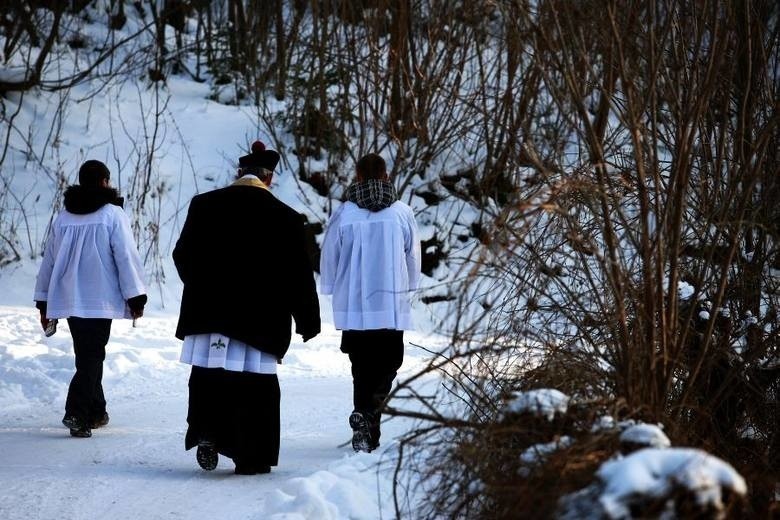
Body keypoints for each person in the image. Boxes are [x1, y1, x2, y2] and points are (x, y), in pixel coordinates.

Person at [173, 140, 321, 475]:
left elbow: (182, 254)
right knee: (256, 387)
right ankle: (250, 456)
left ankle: (207, 431)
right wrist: (307, 320)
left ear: (239, 173)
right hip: (260, 319)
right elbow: (298, 275)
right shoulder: (286, 218)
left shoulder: (203, 205)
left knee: (209, 373)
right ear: (269, 179)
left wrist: (201, 287)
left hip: (209, 311)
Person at [34, 160, 147, 438]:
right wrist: (136, 296)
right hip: (99, 299)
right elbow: (125, 256)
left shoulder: (64, 217)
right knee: (92, 356)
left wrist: (44, 300)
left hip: (69, 297)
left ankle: (97, 411)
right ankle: (77, 413)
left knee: (86, 355)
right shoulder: (112, 214)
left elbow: (49, 260)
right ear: (105, 183)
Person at [319, 153, 421, 452]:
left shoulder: (345, 213)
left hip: (355, 304)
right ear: (386, 176)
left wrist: (331, 287)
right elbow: (413, 256)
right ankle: (367, 418)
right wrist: (410, 288)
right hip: (390, 303)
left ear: (358, 177)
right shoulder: (401, 212)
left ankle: (363, 417)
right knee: (389, 364)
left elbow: (330, 256)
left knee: (361, 366)